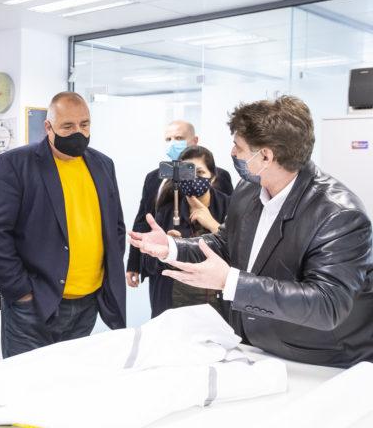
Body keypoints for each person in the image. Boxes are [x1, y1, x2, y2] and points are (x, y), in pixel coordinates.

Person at [130, 95, 373, 368]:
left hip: (320, 362)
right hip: (257, 349)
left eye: (238, 146)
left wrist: (231, 282)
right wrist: (174, 247)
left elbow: (327, 305)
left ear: (266, 156)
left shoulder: (339, 215)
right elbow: (226, 242)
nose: (232, 153)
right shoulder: (249, 191)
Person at [0, 91, 126, 358]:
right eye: (68, 126)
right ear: (48, 127)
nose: (78, 133)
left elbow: (115, 227)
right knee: (26, 389)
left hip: (87, 303)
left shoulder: (104, 165)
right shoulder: (16, 164)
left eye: (85, 124)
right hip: (34, 306)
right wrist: (21, 291)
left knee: (68, 387)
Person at [129, 146, 230, 318]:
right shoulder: (166, 211)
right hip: (173, 307)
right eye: (187, 173)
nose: (193, 179)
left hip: (217, 309)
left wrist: (214, 225)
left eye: (199, 172)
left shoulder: (231, 207)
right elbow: (150, 265)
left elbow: (242, 255)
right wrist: (166, 250)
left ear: (212, 177)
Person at [126, 121, 232, 285]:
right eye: (168, 139)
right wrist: (134, 263)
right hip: (163, 266)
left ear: (194, 140)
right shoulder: (154, 178)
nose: (173, 143)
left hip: (206, 269)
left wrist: (210, 225)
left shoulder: (220, 177)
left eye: (179, 138)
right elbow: (143, 220)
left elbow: (231, 221)